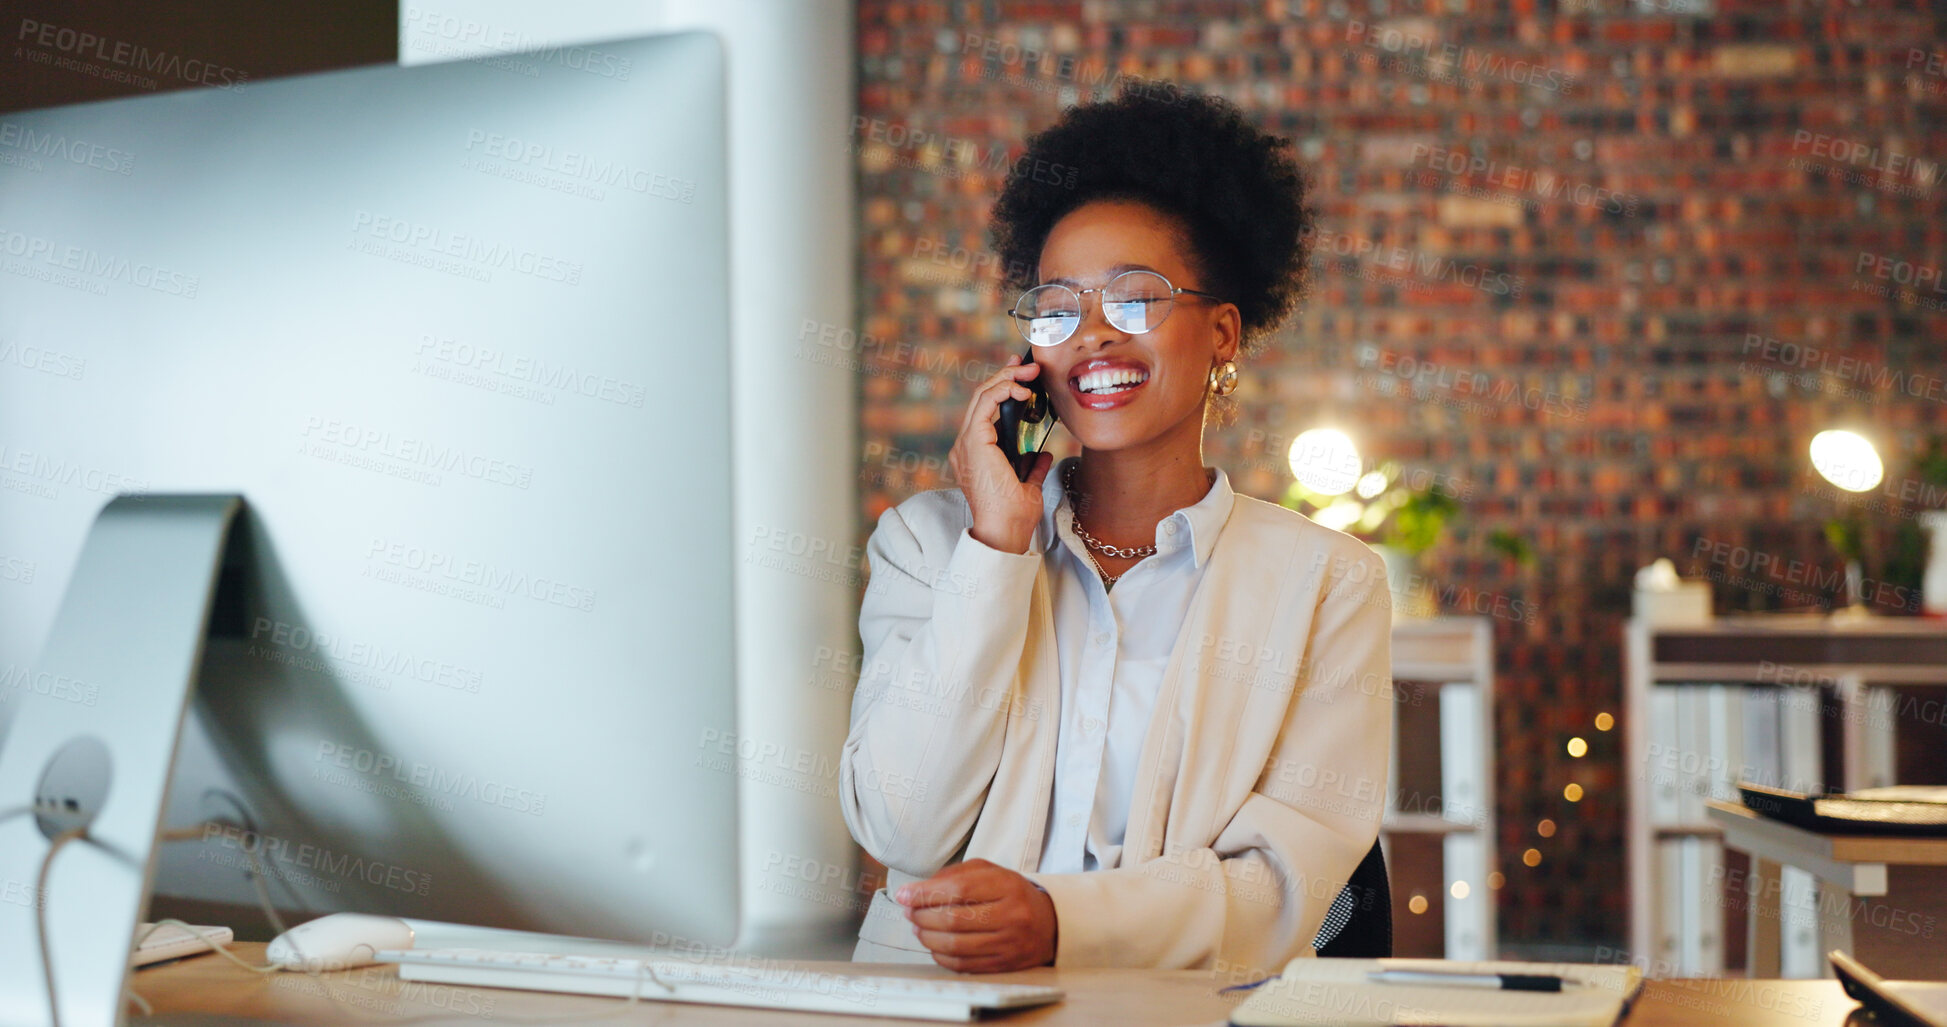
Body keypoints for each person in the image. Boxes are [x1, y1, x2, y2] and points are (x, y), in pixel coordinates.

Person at [840, 86, 1393, 974]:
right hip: (933, 1002)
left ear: (1222, 333)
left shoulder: (1326, 581)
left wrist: (1063, 921)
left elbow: (1286, 882)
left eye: (1136, 299)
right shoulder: (928, 544)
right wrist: (996, 546)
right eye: (1057, 307)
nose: (1092, 335)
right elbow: (902, 823)